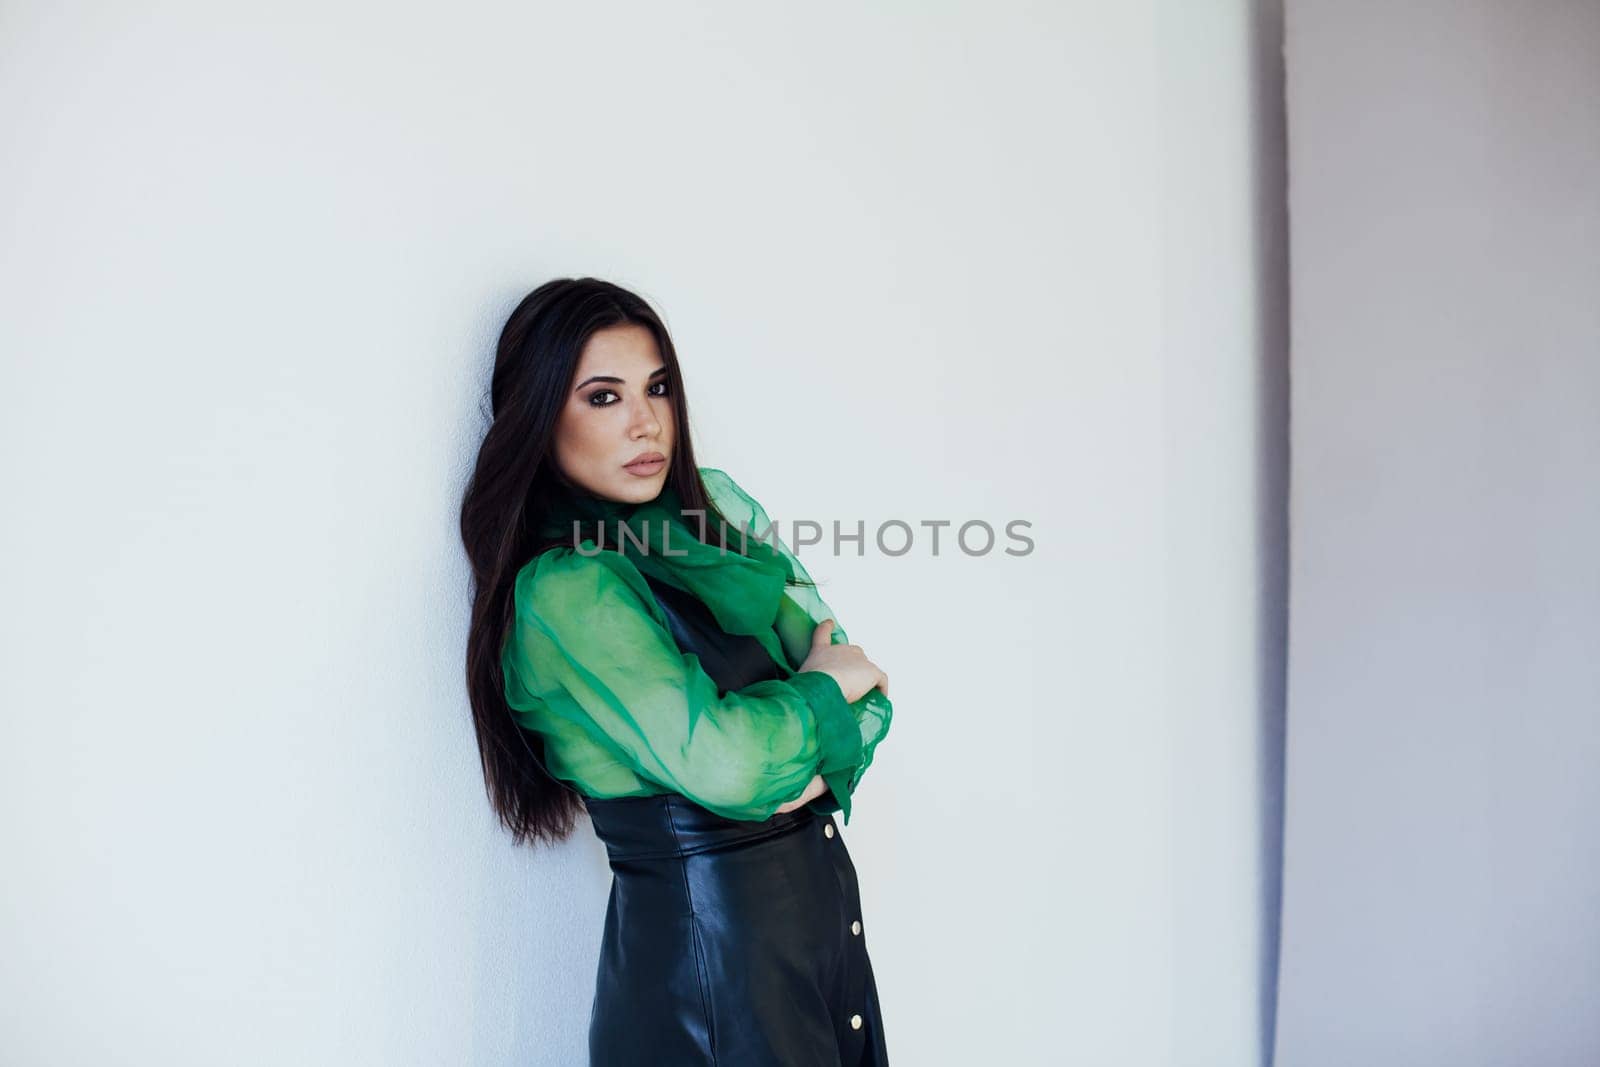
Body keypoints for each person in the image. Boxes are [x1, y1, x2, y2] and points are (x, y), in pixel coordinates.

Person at [459, 277, 895, 1065]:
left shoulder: (705, 534)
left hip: (813, 954)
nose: (645, 420)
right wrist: (812, 706)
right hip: (713, 983)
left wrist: (787, 744)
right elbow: (733, 757)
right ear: (538, 414)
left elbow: (855, 683)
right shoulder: (568, 588)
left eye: (657, 386)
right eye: (602, 396)